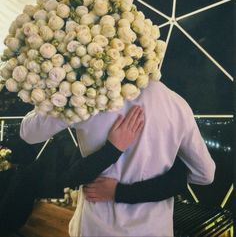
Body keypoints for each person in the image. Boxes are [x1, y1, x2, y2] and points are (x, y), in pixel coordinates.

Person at [20, 81, 215, 237]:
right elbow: (205, 174)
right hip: (155, 229)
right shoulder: (177, 104)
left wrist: (65, 88)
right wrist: (173, 174)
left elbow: (28, 133)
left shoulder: (87, 97)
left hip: (98, 227)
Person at [1, 105, 187, 236]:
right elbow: (69, 177)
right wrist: (112, 150)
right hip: (103, 226)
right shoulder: (92, 111)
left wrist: (118, 190)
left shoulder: (163, 113)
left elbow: (180, 179)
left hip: (141, 228)